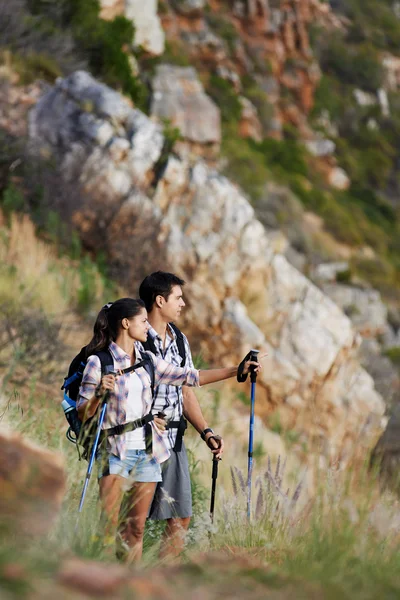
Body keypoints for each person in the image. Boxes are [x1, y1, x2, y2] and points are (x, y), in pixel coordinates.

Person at [76, 297, 261, 563]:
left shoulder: (149, 360)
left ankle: (130, 588)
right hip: (114, 451)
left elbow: (190, 376)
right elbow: (84, 413)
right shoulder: (99, 362)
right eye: (142, 321)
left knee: (135, 529)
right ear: (126, 324)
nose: (147, 326)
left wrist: (236, 370)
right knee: (108, 528)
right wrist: (98, 395)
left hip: (147, 453)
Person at [138, 272, 225, 559]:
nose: (183, 304)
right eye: (178, 297)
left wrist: (206, 432)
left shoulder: (179, 340)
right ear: (159, 300)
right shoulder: (135, 335)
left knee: (180, 517)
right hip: (140, 440)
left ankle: (159, 583)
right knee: (133, 523)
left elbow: (186, 391)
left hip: (174, 440)